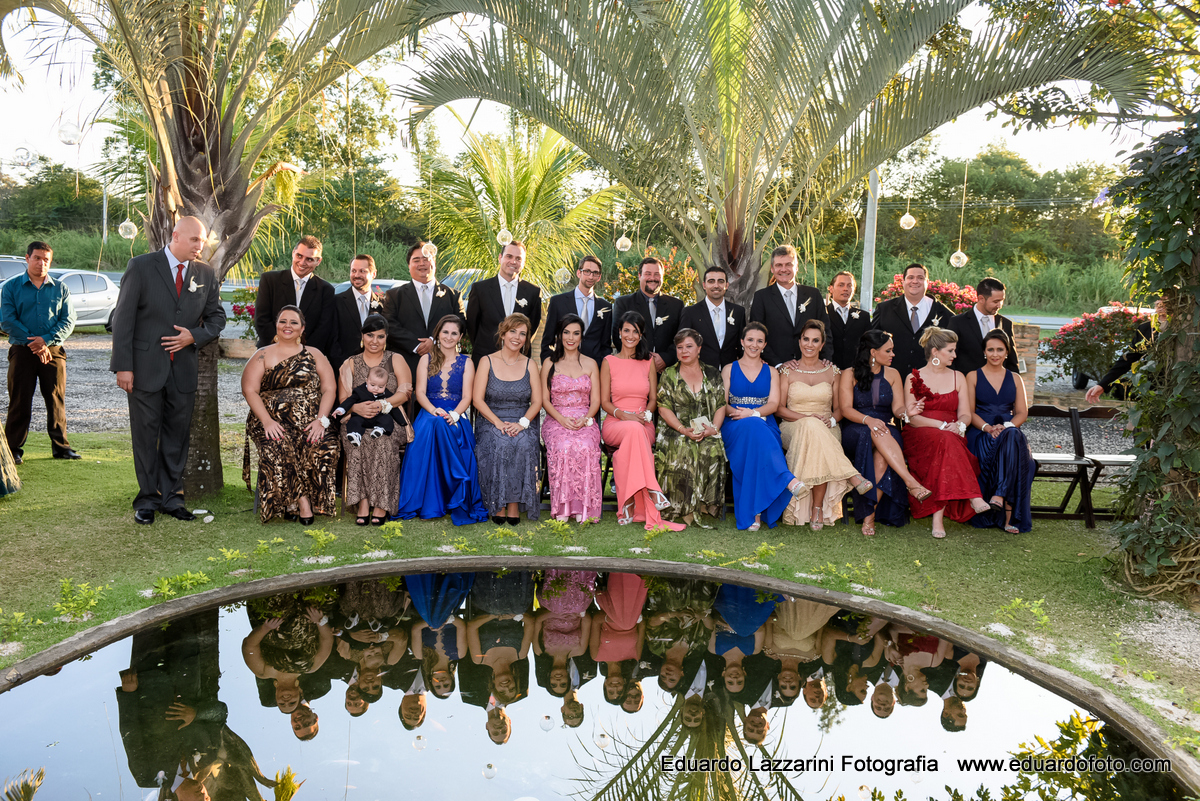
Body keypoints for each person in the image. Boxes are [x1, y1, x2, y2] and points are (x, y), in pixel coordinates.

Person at [110, 216, 226, 524]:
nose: (200, 246)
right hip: (144, 369)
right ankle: (147, 499)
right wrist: (123, 367)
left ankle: (173, 498)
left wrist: (194, 335)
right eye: (195, 240)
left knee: (177, 436)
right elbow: (123, 320)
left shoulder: (205, 273)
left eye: (202, 241)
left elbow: (216, 318)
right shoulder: (141, 266)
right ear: (175, 236)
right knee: (146, 437)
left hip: (184, 371)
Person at [241, 305, 340, 524]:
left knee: (326, 444)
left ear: (302, 328)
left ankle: (304, 502)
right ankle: (302, 501)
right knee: (278, 443)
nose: (288, 326)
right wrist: (267, 422)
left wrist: (321, 421)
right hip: (270, 420)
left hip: (312, 420)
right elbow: (250, 390)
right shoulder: (262, 354)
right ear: (276, 326)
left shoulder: (314, 354)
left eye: (294, 322)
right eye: (283, 321)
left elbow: (329, 389)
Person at [777, 320, 872, 529]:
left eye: (815, 341)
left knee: (817, 435)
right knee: (811, 427)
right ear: (800, 341)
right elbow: (779, 408)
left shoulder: (833, 372)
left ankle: (817, 507)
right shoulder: (786, 371)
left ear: (822, 345)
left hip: (827, 426)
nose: (809, 344)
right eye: (806, 339)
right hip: (793, 425)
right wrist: (806, 418)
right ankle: (851, 476)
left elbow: (839, 410)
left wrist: (829, 420)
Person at [396, 314, 488, 525]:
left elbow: (467, 396)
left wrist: (455, 414)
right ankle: (447, 491)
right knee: (435, 424)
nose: (448, 336)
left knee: (448, 426)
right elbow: (420, 393)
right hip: (429, 412)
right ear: (437, 333)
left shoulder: (467, 362)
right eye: (445, 332)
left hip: (457, 413)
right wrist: (434, 410)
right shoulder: (425, 359)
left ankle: (453, 495)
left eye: (454, 333)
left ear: (460, 337)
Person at [903, 327, 992, 538]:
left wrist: (960, 425)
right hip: (920, 432)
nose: (954, 355)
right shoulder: (913, 377)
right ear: (935, 352)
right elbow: (912, 417)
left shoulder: (957, 377)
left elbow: (965, 414)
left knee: (946, 444)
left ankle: (938, 518)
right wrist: (942, 426)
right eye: (950, 351)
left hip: (951, 433)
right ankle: (973, 495)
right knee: (945, 440)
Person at [601, 312, 686, 531]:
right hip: (616, 421)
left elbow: (653, 399)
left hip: (643, 422)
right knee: (633, 430)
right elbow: (604, 402)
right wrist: (625, 415)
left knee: (636, 433)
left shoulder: (649, 361)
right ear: (619, 333)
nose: (630, 335)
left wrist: (647, 414)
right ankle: (652, 491)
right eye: (626, 330)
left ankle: (629, 503)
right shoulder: (608, 362)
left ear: (641, 335)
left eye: (635, 331)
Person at [720, 322, 808, 531]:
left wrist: (754, 414)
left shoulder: (771, 372)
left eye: (759, 341)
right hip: (734, 423)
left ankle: (754, 512)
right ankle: (788, 480)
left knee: (756, 434)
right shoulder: (729, 369)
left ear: (765, 344)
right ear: (742, 342)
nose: (754, 344)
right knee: (753, 429)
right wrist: (742, 415)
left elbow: (774, 404)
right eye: (750, 340)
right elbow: (722, 404)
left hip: (764, 422)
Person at [837, 330, 925, 536]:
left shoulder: (893, 374)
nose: (893, 354)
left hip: (884, 429)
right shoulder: (849, 374)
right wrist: (868, 420)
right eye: (889, 350)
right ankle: (909, 481)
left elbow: (897, 410)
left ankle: (869, 517)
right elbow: (845, 409)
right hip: (856, 429)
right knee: (875, 432)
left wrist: (907, 413)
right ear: (873, 352)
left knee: (882, 453)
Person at [2, 240, 79, 464]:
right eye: (37, 258)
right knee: (20, 400)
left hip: (53, 351)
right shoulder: (11, 287)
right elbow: (7, 320)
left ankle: (61, 448)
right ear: (27, 258)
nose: (41, 263)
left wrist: (44, 341)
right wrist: (34, 344)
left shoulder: (60, 288)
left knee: (56, 399)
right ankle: (13, 449)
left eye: (46, 260)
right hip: (22, 352)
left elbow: (68, 320)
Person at [336, 314, 412, 525]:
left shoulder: (395, 359)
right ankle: (362, 502)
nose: (374, 341)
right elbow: (344, 399)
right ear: (362, 336)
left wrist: (383, 405)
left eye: (380, 336)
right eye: (370, 335)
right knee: (357, 441)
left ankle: (381, 504)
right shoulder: (350, 363)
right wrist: (357, 408)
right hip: (356, 420)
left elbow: (405, 391)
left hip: (390, 418)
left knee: (382, 441)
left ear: (386, 338)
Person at [474, 313, 543, 524]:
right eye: (513, 331)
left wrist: (522, 424)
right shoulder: (487, 361)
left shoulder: (530, 364)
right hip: (491, 419)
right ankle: (498, 503)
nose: (517, 337)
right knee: (500, 441)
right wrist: (497, 422)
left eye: (523, 334)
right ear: (503, 333)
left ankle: (513, 504)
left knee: (522, 442)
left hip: (521, 421)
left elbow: (537, 402)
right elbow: (477, 400)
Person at [655, 329, 726, 527]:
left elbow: (721, 404)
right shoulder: (669, 374)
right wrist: (682, 429)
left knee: (711, 447)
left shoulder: (712, 373)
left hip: (706, 428)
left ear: (699, 349)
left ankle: (703, 504)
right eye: (680, 347)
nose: (684, 351)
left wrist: (713, 429)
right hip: (674, 429)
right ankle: (682, 507)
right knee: (683, 447)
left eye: (689, 346)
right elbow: (663, 408)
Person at [967, 329, 1035, 534]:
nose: (995, 354)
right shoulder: (972, 376)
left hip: (1009, 431)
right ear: (984, 352)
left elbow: (1022, 413)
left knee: (1013, 436)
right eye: (990, 350)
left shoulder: (1015, 379)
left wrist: (1005, 427)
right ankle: (1007, 514)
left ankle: (999, 497)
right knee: (1014, 441)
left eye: (1000, 349)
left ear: (1007, 352)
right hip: (981, 433)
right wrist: (988, 428)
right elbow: (969, 412)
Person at [541, 314, 603, 522]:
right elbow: (544, 400)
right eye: (566, 332)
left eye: (576, 333)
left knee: (585, 445)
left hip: (585, 418)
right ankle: (563, 507)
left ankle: (584, 509)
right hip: (556, 418)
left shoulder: (591, 364)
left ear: (581, 337)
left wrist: (586, 419)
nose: (571, 337)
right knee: (564, 446)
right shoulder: (549, 363)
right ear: (559, 334)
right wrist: (560, 419)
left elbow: (596, 401)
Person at [382, 241, 466, 379]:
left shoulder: (453, 295)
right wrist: (416, 345)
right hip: (406, 366)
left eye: (426, 259)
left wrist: (434, 341)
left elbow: (461, 324)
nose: (422, 263)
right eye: (416, 260)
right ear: (409, 265)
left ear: (434, 262)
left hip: (445, 366)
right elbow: (389, 325)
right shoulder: (395, 295)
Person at [748, 244, 832, 368]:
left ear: (796, 267)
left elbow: (825, 330)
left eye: (788, 264)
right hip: (777, 368)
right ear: (772, 268)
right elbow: (757, 335)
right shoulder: (762, 297)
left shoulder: (813, 294)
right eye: (779, 265)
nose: (784, 269)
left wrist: (826, 358)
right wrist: (778, 364)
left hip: (812, 365)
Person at [254, 235, 335, 359]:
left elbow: (323, 329)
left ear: (318, 261)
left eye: (309, 259)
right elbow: (262, 319)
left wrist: (301, 353)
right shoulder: (270, 280)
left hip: (307, 357)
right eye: (299, 256)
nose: (302, 262)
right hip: (270, 352)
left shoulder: (326, 290)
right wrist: (282, 348)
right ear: (293, 253)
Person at [871, 263, 954, 380]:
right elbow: (871, 343)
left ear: (927, 282)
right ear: (903, 282)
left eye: (920, 278)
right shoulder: (884, 309)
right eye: (910, 277)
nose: (915, 281)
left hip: (931, 381)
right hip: (890, 379)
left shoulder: (943, 313)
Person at [466, 241, 542, 362]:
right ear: (500, 258)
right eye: (509, 256)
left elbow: (532, 327)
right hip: (485, 357)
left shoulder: (533, 292)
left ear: (523, 263)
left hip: (518, 359)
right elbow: (472, 325)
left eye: (518, 258)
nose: (513, 261)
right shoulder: (480, 289)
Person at [610, 256, 685, 371]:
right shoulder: (623, 303)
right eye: (648, 274)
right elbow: (617, 336)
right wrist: (643, 359)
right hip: (634, 368)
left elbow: (682, 337)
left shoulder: (676, 305)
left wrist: (665, 359)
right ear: (639, 276)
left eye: (657, 274)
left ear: (662, 277)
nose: (652, 278)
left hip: (667, 371)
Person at [1085, 297, 1165, 403]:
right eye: (1158, 303)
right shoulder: (1145, 329)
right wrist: (1103, 384)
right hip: (1150, 391)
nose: (1161, 306)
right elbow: (1127, 359)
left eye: (1166, 303)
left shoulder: (1185, 329)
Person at [533, 570, 597, 695]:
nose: (558, 680)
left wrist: (556, 612)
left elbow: (537, 620)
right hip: (577, 607)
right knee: (579, 602)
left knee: (558, 603)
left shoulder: (540, 650)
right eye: (563, 683)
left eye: (553, 684)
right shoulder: (579, 650)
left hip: (551, 605)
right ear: (568, 677)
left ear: (548, 678)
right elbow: (587, 621)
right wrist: (574, 611)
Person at [540, 255, 613, 363]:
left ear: (599, 277)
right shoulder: (558, 302)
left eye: (595, 273)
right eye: (587, 271)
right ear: (579, 273)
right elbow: (547, 341)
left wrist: (601, 369)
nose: (591, 276)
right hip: (563, 365)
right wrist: (550, 367)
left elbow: (605, 345)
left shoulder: (605, 307)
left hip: (593, 368)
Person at [590, 572, 647, 709]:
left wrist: (617, 620)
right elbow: (642, 624)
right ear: (625, 685)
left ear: (604, 685)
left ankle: (621, 574)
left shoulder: (597, 655)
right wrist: (626, 620)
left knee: (626, 623)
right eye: (619, 690)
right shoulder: (635, 656)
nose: (614, 687)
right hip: (633, 606)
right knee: (627, 621)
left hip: (610, 605)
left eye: (610, 691)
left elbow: (596, 620)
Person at [946, 277, 1019, 375]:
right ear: (981, 299)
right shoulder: (958, 322)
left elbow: (1012, 361)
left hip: (998, 385)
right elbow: (949, 357)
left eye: (1002, 301)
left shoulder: (1006, 324)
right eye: (995, 301)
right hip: (966, 384)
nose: (999, 305)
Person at [679, 266, 745, 367]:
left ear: (726, 285)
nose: (716, 285)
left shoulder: (738, 312)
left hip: (730, 372)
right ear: (704, 285)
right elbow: (682, 346)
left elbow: (741, 346)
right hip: (701, 372)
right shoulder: (690, 312)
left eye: (720, 281)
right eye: (711, 281)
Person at [332, 364, 409, 446]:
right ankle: (355, 434)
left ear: (385, 385)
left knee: (387, 418)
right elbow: (349, 401)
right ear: (367, 381)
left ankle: (380, 429)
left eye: (380, 386)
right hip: (361, 417)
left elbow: (393, 408)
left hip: (378, 418)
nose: (376, 388)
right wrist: (340, 409)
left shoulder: (387, 394)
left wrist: (402, 422)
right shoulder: (359, 391)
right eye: (372, 385)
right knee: (354, 421)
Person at [330, 254, 384, 368]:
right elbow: (332, 340)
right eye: (353, 271)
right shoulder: (336, 302)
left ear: (373, 274)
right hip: (345, 368)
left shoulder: (383, 305)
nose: (357, 275)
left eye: (362, 271)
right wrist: (345, 367)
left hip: (377, 372)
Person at [825, 270, 871, 370]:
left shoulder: (864, 316)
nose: (845, 289)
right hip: (828, 370)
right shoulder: (822, 314)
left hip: (856, 372)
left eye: (849, 286)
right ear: (831, 289)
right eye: (841, 285)